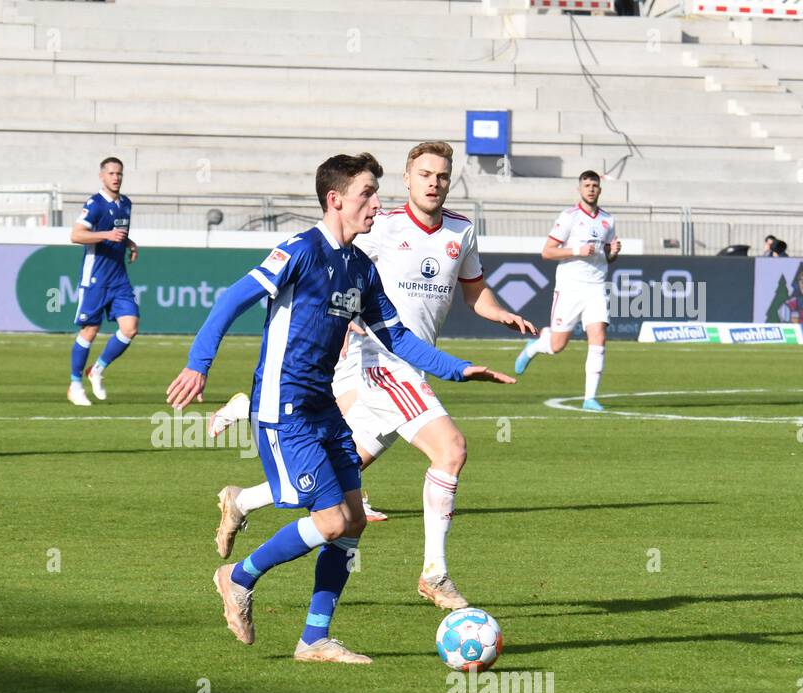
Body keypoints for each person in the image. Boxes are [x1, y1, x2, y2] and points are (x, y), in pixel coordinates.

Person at [166, 153, 515, 664]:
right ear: (336, 200)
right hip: (284, 409)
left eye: (375, 193)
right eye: (366, 194)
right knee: (330, 522)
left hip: (324, 407)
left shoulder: (360, 267)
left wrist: (459, 368)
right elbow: (230, 300)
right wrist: (199, 365)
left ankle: (314, 640)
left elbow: (396, 336)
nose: (376, 203)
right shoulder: (300, 251)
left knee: (351, 522)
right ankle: (237, 577)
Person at [513, 170, 621, 411]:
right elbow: (547, 251)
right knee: (557, 345)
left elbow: (607, 257)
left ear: (600, 190)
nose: (591, 189)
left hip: (596, 287)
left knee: (599, 337)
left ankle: (589, 399)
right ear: (579, 189)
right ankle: (536, 346)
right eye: (587, 185)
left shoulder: (608, 220)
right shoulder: (569, 217)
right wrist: (576, 251)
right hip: (570, 288)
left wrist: (612, 252)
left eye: (595, 185)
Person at [68, 157, 139, 406]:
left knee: (130, 327)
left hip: (119, 278)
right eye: (111, 173)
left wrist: (128, 243)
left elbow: (119, 233)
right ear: (102, 176)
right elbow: (76, 235)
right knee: (90, 331)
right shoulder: (95, 204)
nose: (116, 177)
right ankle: (75, 384)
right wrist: (106, 235)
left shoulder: (126, 204)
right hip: (96, 277)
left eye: (119, 173)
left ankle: (97, 369)